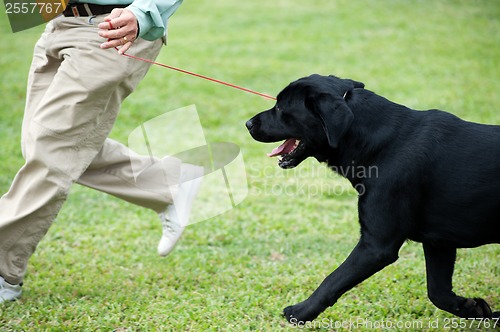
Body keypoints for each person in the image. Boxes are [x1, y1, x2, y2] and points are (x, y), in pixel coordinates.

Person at [0, 0, 204, 303]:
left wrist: (142, 12)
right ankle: (167, 183)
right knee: (46, 146)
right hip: (56, 19)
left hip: (113, 28)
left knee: (52, 149)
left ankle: (4, 270)